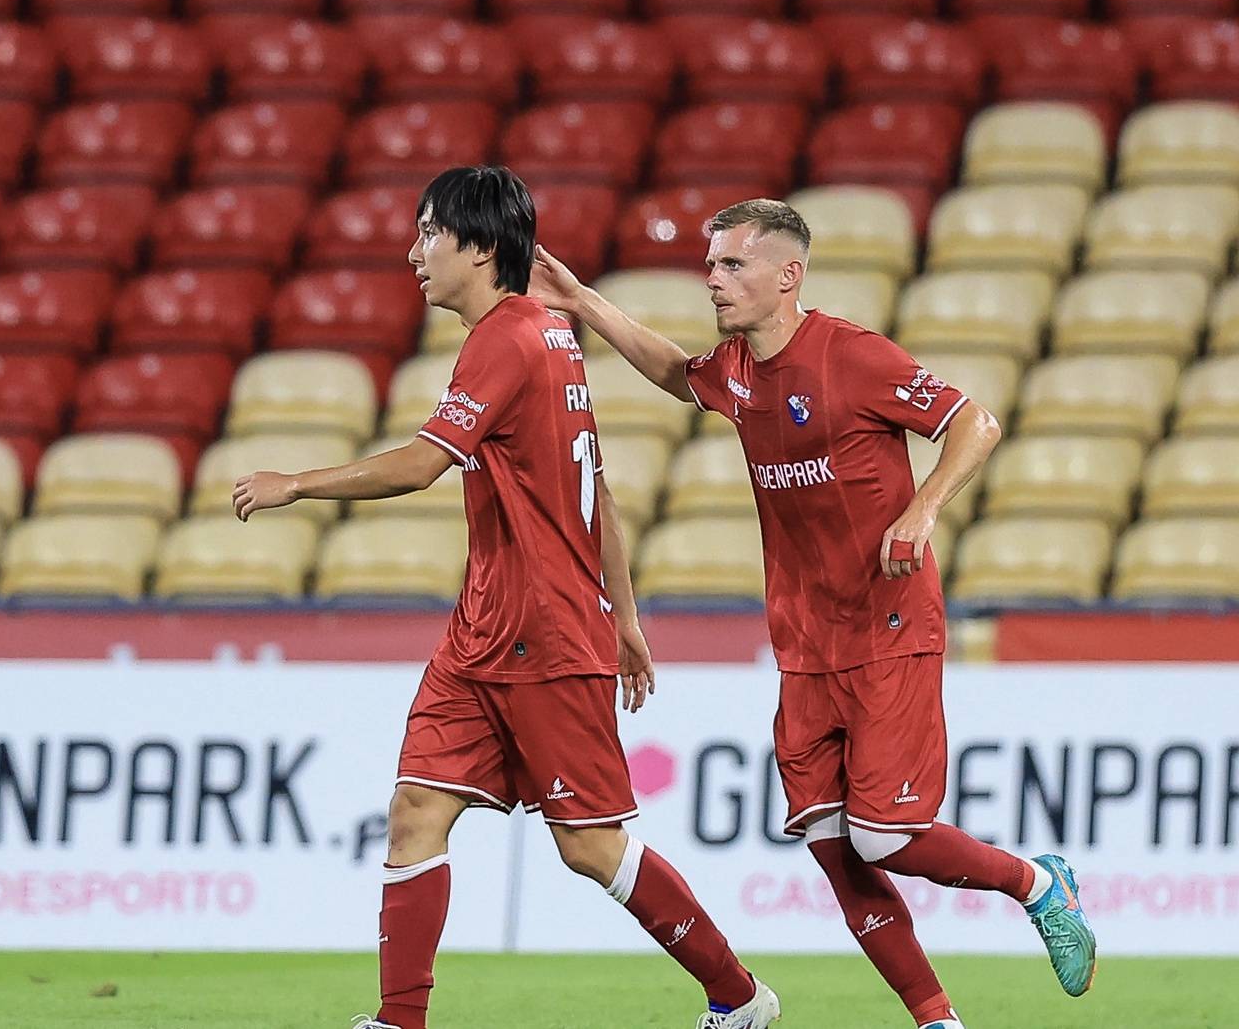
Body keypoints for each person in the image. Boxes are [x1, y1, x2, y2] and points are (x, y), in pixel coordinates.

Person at [528, 198, 1097, 1029]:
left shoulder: (852, 356)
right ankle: (938, 1021)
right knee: (836, 849)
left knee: (885, 838)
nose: (713, 280)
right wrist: (585, 304)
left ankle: (1039, 883)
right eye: (712, 264)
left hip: (890, 630)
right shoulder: (737, 370)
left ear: (787, 275)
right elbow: (674, 372)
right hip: (804, 646)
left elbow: (976, 421)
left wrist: (924, 507)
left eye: (732, 265)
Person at [232, 167, 779, 1029]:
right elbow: (591, 485)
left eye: (428, 234)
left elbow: (422, 464)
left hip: (546, 636)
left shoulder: (512, 339)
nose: (414, 253)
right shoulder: (549, 334)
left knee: (590, 846)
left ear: (480, 247)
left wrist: (294, 483)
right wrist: (627, 615)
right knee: (416, 810)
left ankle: (740, 996)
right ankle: (399, 1020)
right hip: (484, 631)